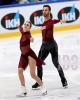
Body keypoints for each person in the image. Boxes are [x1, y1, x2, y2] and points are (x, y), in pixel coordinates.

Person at [32, 5, 68, 89]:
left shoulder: (51, 22)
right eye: (43, 10)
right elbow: (55, 21)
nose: (44, 11)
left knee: (56, 63)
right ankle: (39, 82)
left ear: (49, 11)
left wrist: (60, 20)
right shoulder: (43, 23)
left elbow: (54, 21)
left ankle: (64, 80)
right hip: (44, 45)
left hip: (52, 45)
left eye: (46, 10)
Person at [17, 21, 47, 97]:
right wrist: (19, 26)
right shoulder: (23, 31)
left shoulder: (28, 34)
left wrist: (31, 39)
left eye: (28, 25)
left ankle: (43, 87)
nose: (26, 26)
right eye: (25, 24)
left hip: (30, 55)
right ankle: (23, 90)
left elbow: (30, 38)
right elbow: (21, 29)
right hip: (23, 55)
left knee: (32, 74)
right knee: (20, 70)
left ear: (29, 28)